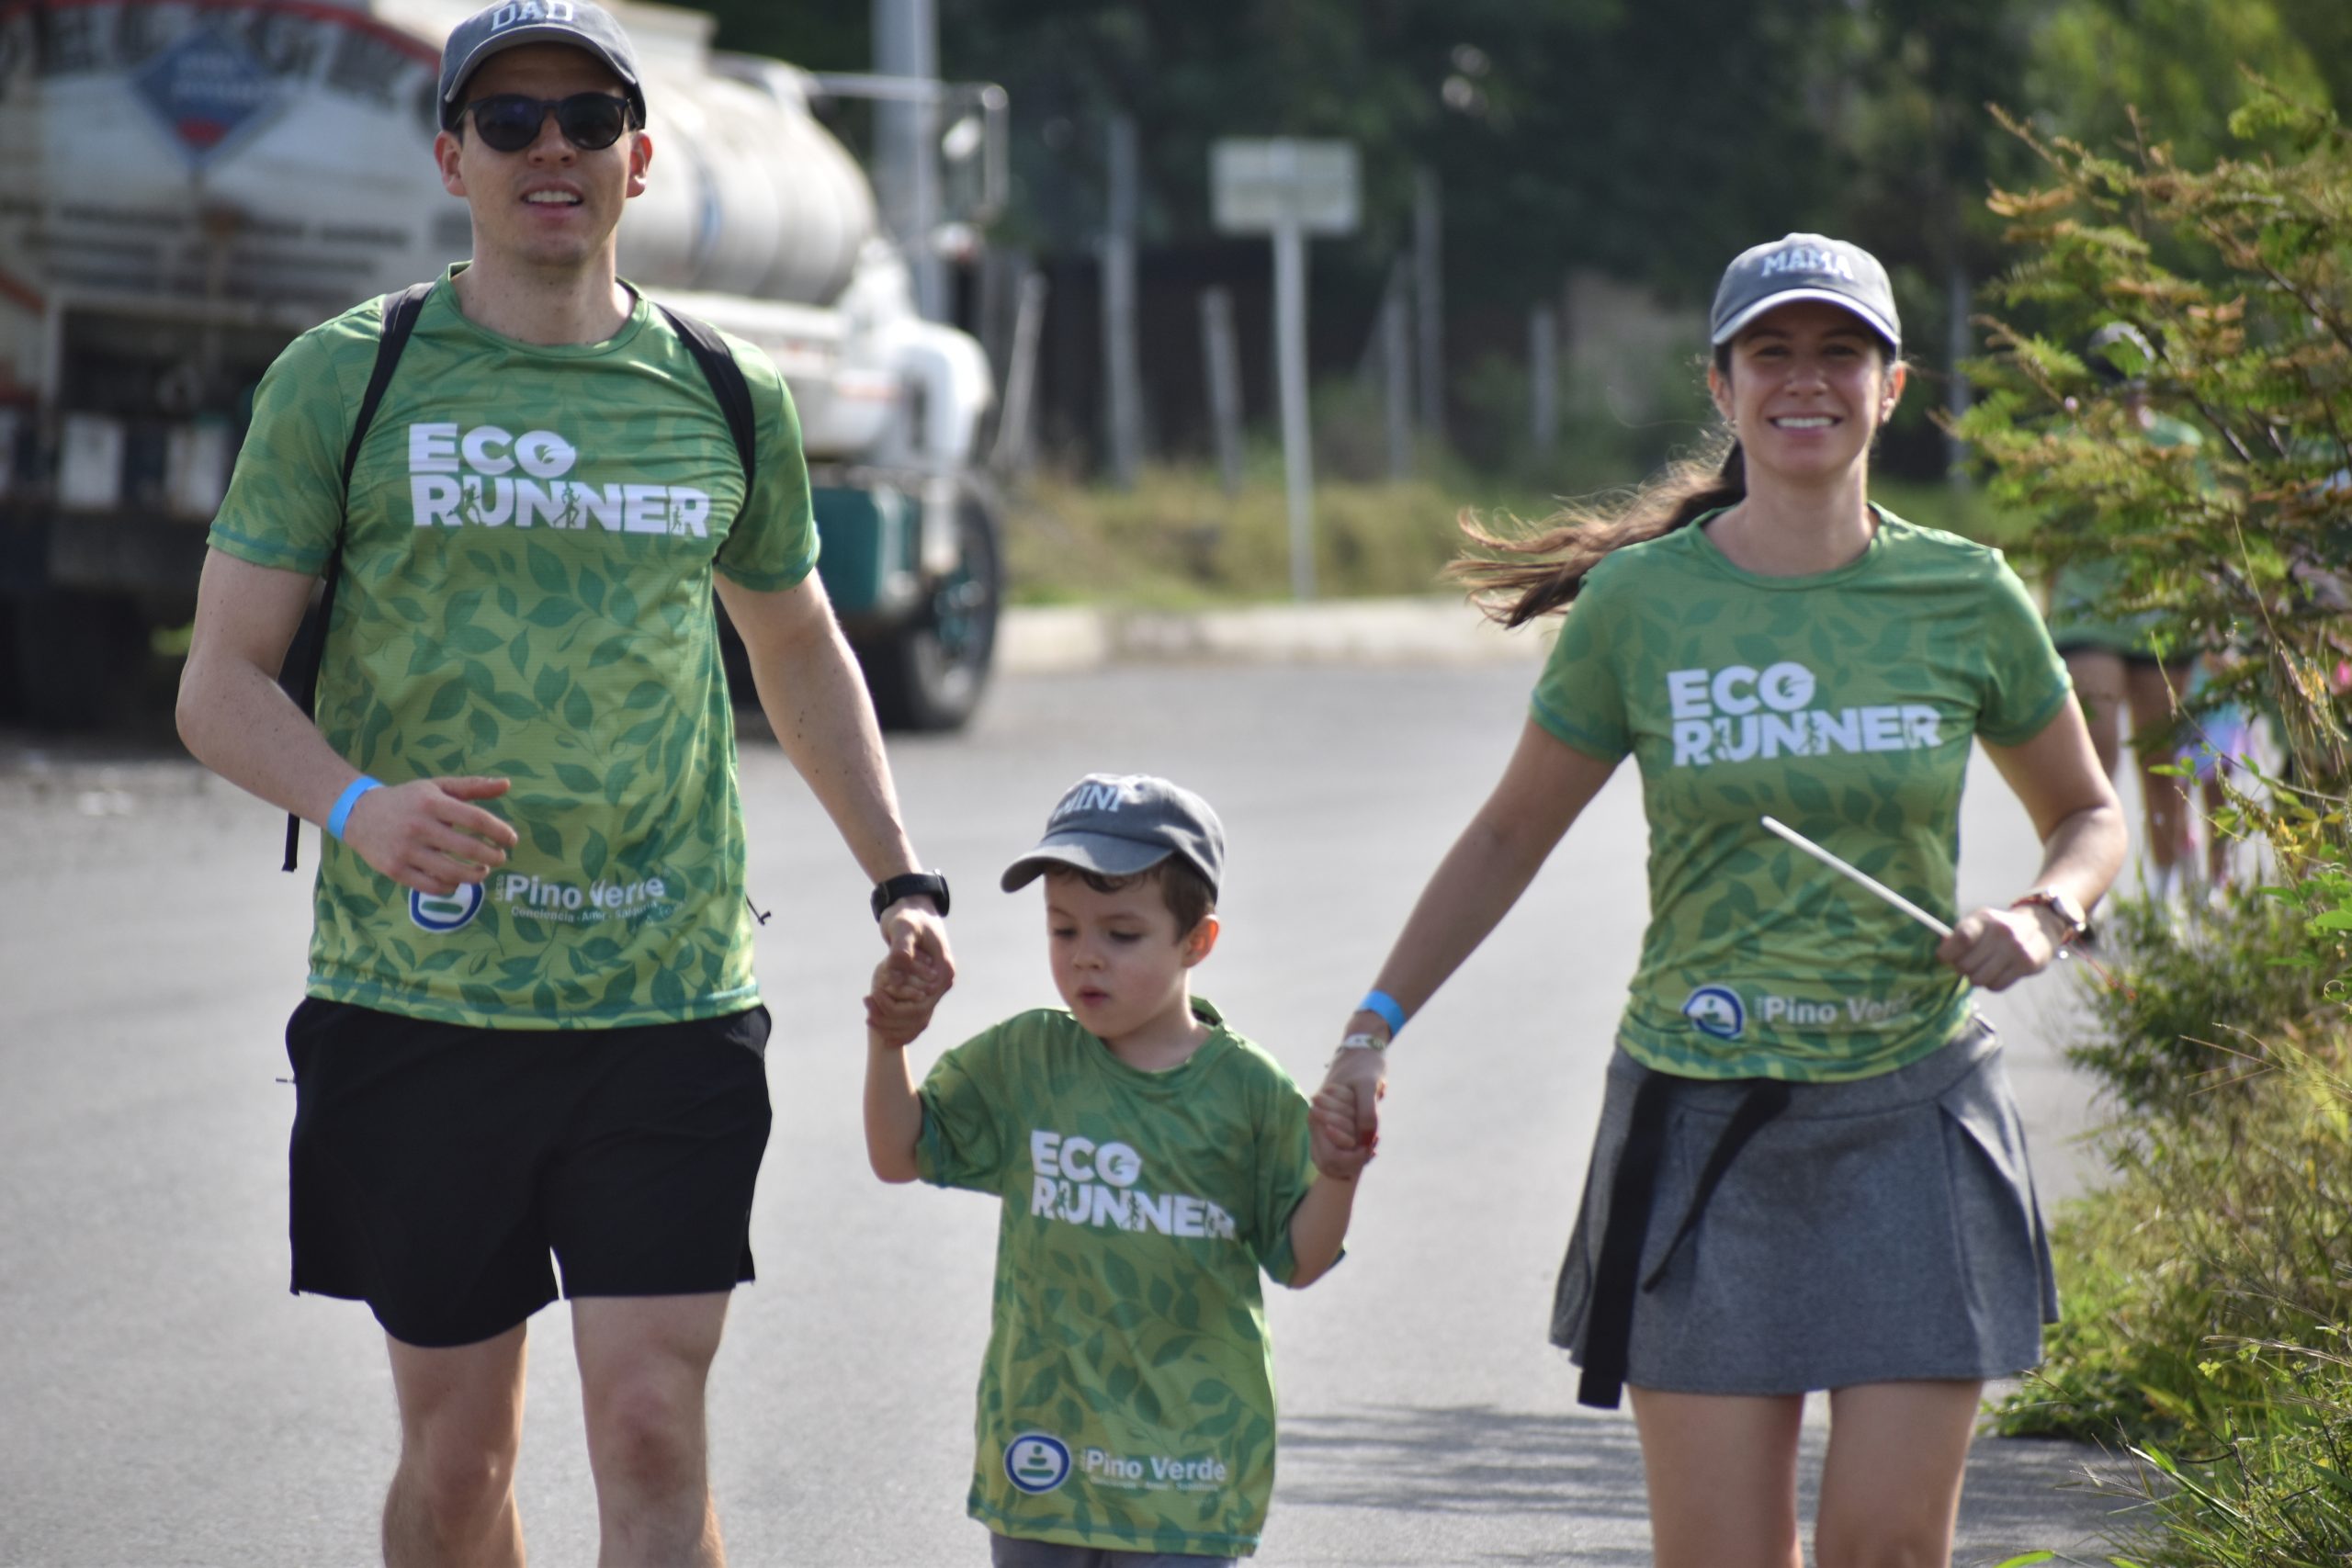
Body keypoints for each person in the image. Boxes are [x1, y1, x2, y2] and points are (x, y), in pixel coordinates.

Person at [174, 4, 953, 1563]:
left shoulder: (724, 389)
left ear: (638, 160)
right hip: (422, 999)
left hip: (664, 993)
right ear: (450, 154)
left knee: (652, 1422)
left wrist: (900, 875)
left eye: (588, 120)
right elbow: (220, 685)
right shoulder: (350, 378)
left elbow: (797, 643)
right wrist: (359, 808)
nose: (552, 148)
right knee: (460, 1459)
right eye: (511, 119)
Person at [1311, 234, 2127, 1567]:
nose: (1806, 380)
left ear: (1891, 386)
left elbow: (2089, 814)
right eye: (1772, 352)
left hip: (1911, 1116)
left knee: (1886, 1551)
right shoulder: (1642, 604)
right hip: (1698, 1124)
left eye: (1840, 353)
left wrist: (2042, 914)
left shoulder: (1965, 594)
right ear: (1722, 384)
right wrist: (1372, 1024)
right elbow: (1509, 832)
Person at [862, 773, 1363, 1566]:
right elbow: (898, 1152)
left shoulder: (1248, 1092)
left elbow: (1301, 1259)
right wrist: (889, 1041)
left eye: (1122, 934)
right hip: (1043, 1460)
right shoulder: (1027, 1058)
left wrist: (1338, 1173)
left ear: (1197, 941)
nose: (1086, 956)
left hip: (1187, 1474)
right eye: (1063, 929)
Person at [2044, 322, 2205, 898]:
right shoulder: (2069, 443)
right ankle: (2080, 892)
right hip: (2087, 613)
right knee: (2097, 749)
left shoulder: (2181, 444)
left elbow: (2199, 534)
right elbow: (2053, 536)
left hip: (2160, 612)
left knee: (2161, 760)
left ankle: (2165, 893)